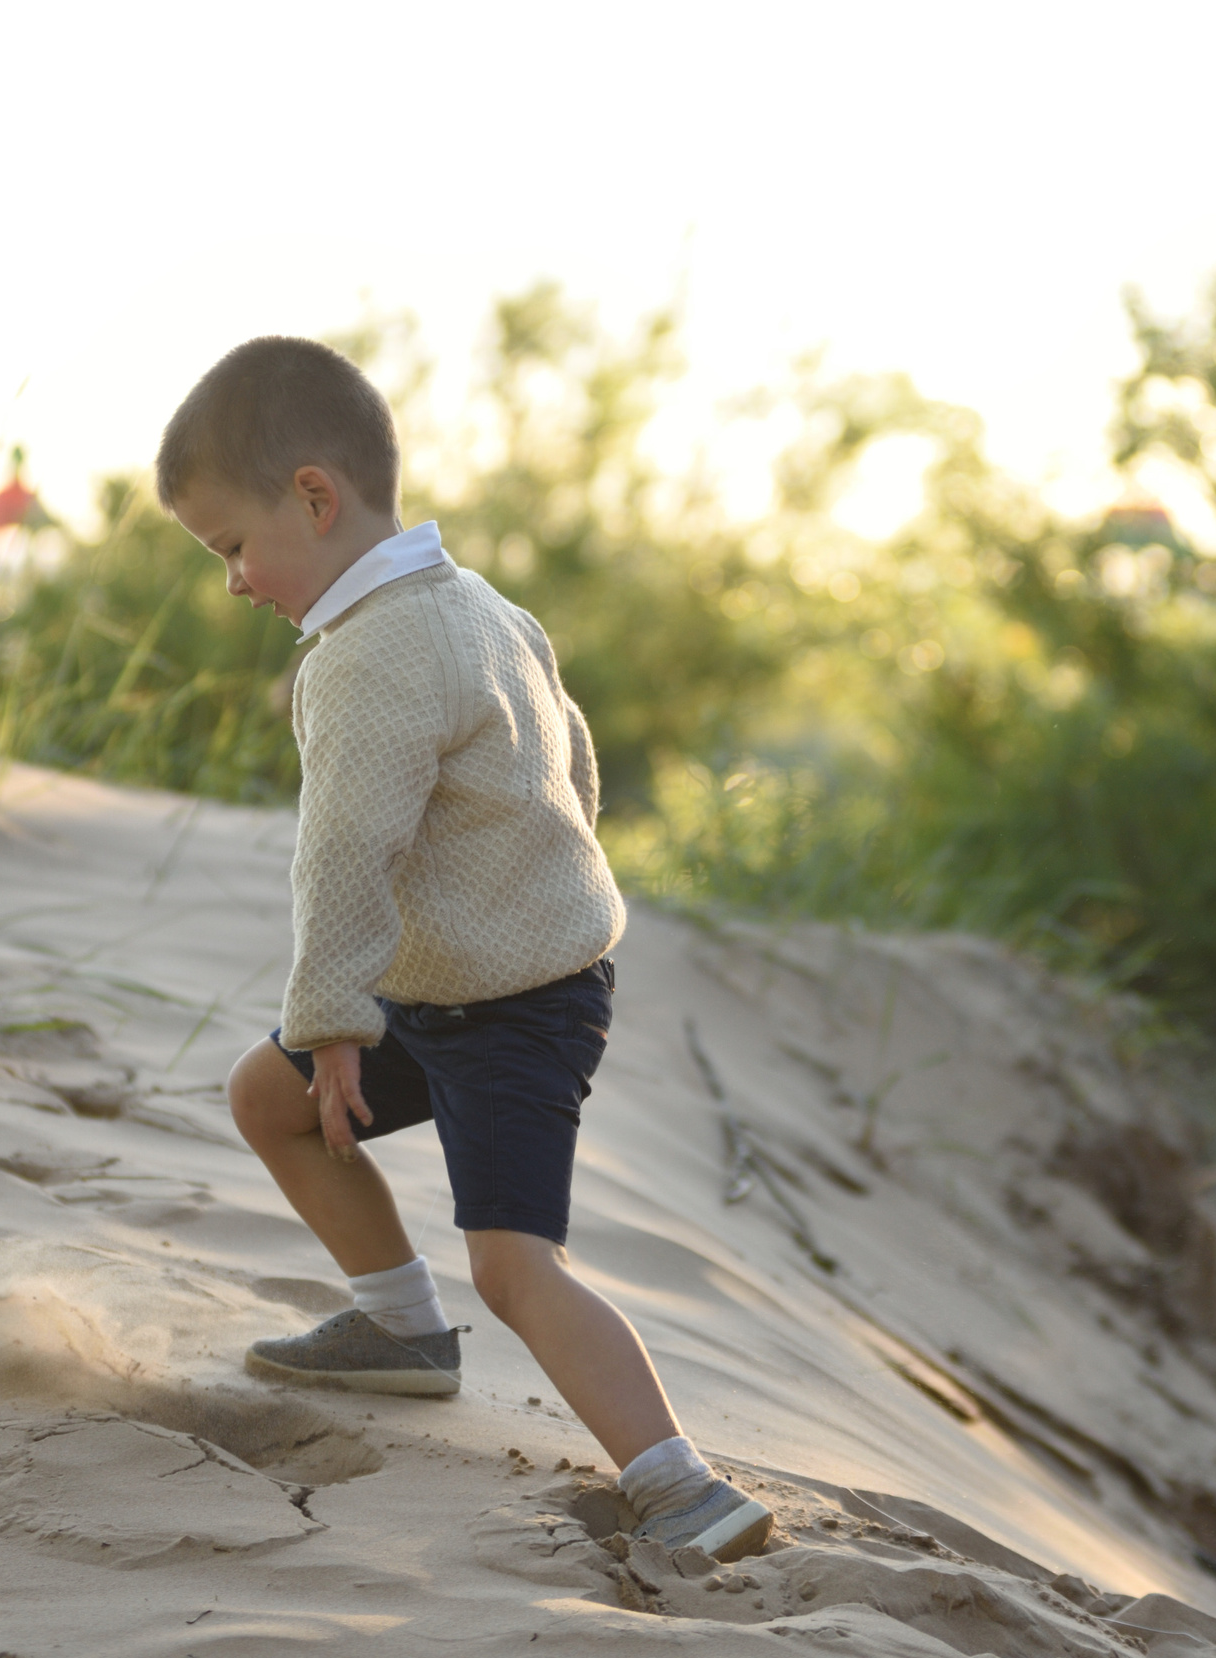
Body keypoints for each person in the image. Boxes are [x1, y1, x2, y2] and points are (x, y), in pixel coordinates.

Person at [155, 336, 771, 1563]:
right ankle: (398, 1328)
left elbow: (345, 852)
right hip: (456, 976)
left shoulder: (368, 655)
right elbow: (570, 762)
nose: (232, 579)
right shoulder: (479, 605)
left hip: (518, 1003)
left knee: (514, 1262)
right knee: (264, 1100)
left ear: (315, 498)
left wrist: (332, 1021)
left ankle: (679, 1482)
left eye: (232, 546)